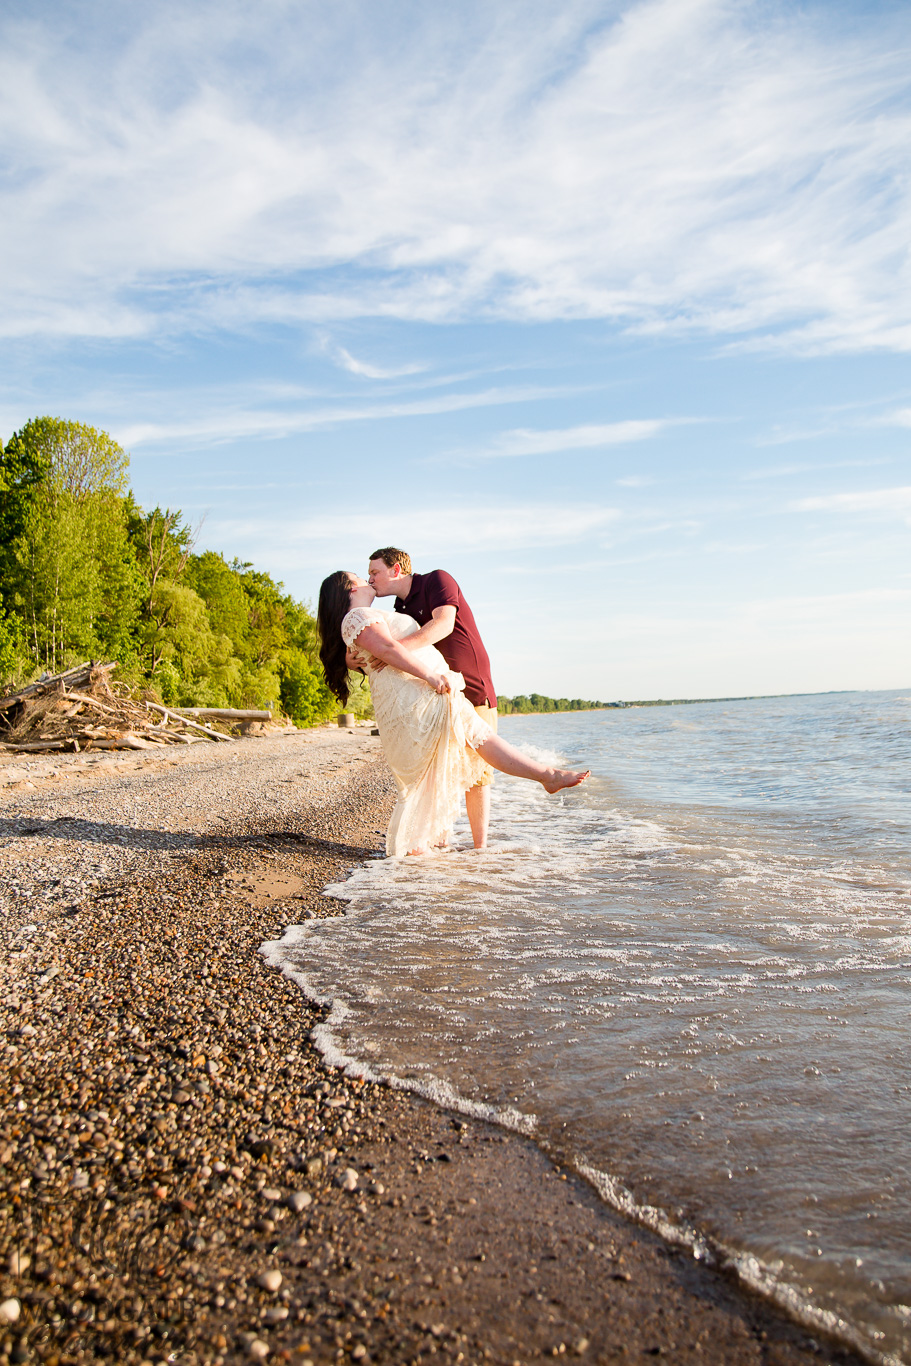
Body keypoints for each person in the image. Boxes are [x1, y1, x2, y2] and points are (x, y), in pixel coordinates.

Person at [317, 571, 590, 859]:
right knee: (451, 760)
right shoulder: (357, 616)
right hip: (418, 700)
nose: (367, 580)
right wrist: (430, 675)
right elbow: (386, 649)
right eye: (360, 577)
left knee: (479, 740)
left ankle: (546, 775)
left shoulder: (368, 615)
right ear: (348, 590)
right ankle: (419, 850)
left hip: (429, 698)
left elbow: (383, 650)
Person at [367, 547, 497, 849]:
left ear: (396, 569)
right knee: (440, 765)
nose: (370, 579)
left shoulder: (437, 580)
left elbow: (444, 624)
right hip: (435, 692)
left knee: (478, 770)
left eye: (375, 572)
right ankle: (440, 844)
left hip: (473, 684)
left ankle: (481, 850)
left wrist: (393, 650)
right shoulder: (399, 608)